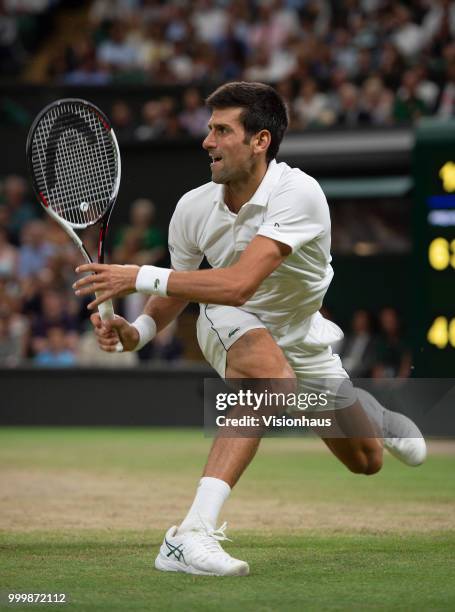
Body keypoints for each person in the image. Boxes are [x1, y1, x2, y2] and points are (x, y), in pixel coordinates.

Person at [73, 82, 426, 577]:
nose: (207, 141)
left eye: (222, 130)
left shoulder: (298, 193)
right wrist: (140, 330)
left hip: (299, 331)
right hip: (232, 319)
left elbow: (239, 280)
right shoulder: (193, 207)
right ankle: (188, 536)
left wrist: (135, 276)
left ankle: (367, 410)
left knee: (367, 461)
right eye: (208, 129)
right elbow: (197, 291)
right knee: (270, 380)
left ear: (260, 141)